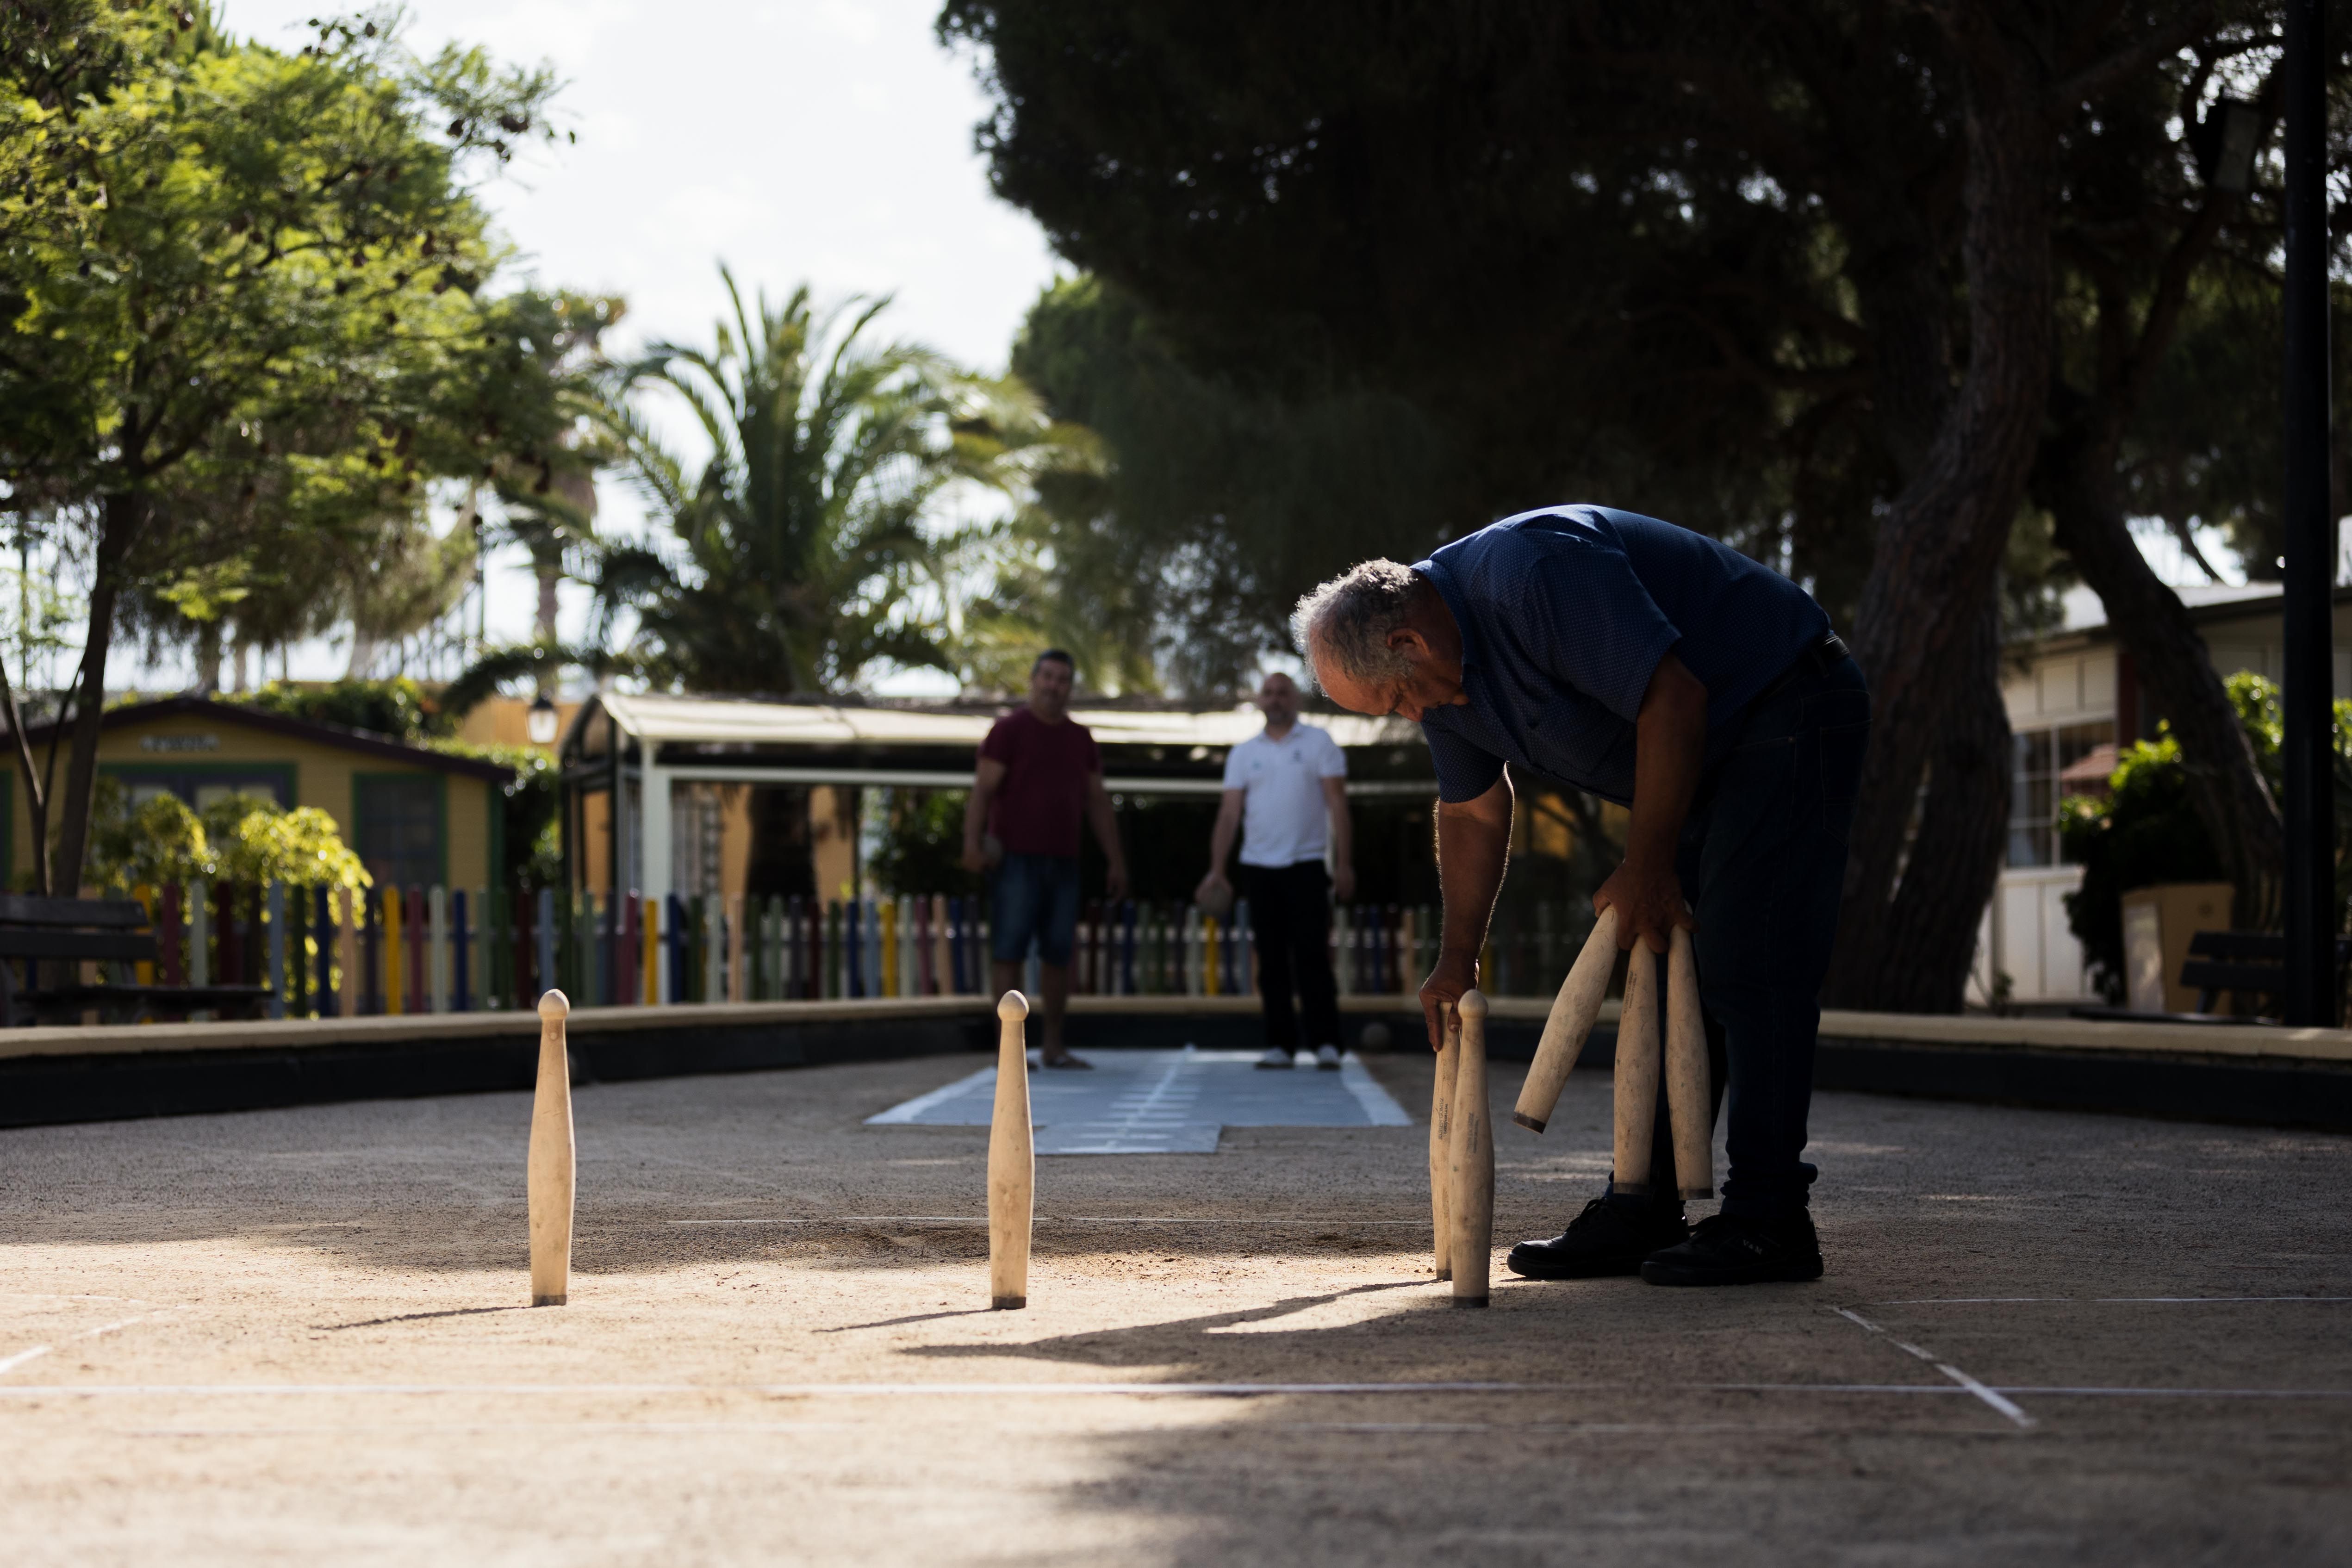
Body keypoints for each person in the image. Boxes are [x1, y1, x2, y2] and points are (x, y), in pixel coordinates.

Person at [1294, 504, 1868, 1287]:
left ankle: (1769, 1219)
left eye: (1398, 702)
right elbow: (1471, 808)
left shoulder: (1533, 577)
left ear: (1407, 642)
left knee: (1748, 954)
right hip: (1704, 753)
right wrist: (1456, 959)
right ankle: (1642, 1204)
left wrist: (1647, 866)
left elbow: (1674, 699)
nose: (1413, 716)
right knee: (1670, 969)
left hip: (1783, 701)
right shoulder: (1441, 677)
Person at [963, 649, 1130, 1068]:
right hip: (1014, 861)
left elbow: (1096, 800)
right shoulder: (1008, 731)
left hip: (1065, 862)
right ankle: (1010, 1053)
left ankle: (1053, 1046)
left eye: (1063, 680)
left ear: (1070, 687)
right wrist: (972, 845)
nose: (1054, 686)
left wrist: (1116, 860)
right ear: (1034, 681)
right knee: (1009, 953)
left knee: (1059, 955)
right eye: (1048, 677)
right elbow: (982, 791)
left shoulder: (1081, 739)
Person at [1195, 671, 1355, 1071]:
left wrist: (1345, 864)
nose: (1275, 698)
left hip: (1306, 865)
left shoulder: (1320, 744)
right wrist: (1217, 870)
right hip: (1259, 867)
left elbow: (1338, 808)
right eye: (1268, 693)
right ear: (1260, 701)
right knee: (1270, 960)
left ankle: (1326, 1043)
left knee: (1313, 956)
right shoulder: (1243, 753)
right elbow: (1229, 814)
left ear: (1295, 699)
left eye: (1282, 692)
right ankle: (1279, 1045)